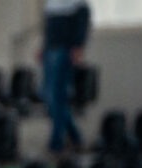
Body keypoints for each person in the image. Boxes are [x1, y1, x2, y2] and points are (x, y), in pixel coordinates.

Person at [41, 0, 91, 154]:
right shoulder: (51, 4)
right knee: (49, 95)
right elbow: (48, 28)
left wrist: (78, 46)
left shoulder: (77, 4)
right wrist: (44, 47)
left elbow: (82, 22)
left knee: (57, 96)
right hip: (51, 49)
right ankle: (76, 137)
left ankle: (57, 142)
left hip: (64, 50)